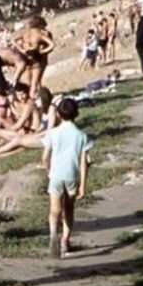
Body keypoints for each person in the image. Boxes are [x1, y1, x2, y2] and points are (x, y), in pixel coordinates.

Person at [42, 98, 92, 258]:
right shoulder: (81, 135)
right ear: (76, 113)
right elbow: (84, 162)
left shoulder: (53, 133)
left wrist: (48, 168)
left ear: (58, 114)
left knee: (54, 210)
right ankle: (65, 241)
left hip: (56, 175)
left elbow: (45, 156)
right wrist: (83, 184)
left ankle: (52, 235)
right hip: (72, 175)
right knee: (69, 210)